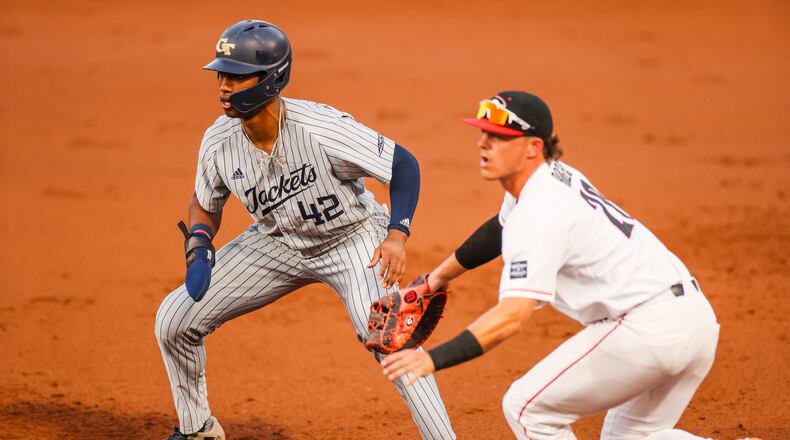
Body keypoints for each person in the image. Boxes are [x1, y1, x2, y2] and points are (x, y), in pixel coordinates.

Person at [154, 20, 455, 440]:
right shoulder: (217, 141)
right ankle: (197, 429)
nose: (223, 85)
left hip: (351, 238)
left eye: (236, 76)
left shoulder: (322, 128)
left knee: (389, 338)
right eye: (221, 74)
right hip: (276, 243)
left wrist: (397, 234)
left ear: (271, 78)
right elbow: (205, 203)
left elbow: (403, 164)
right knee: (173, 320)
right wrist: (199, 243)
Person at [381, 91, 722, 439]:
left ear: (532, 147)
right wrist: (435, 279)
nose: (484, 144)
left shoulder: (539, 214)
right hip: (694, 322)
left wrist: (432, 360)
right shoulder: (552, 176)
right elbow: (500, 228)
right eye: (483, 133)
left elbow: (512, 316)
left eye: (499, 137)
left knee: (527, 410)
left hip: (646, 332)